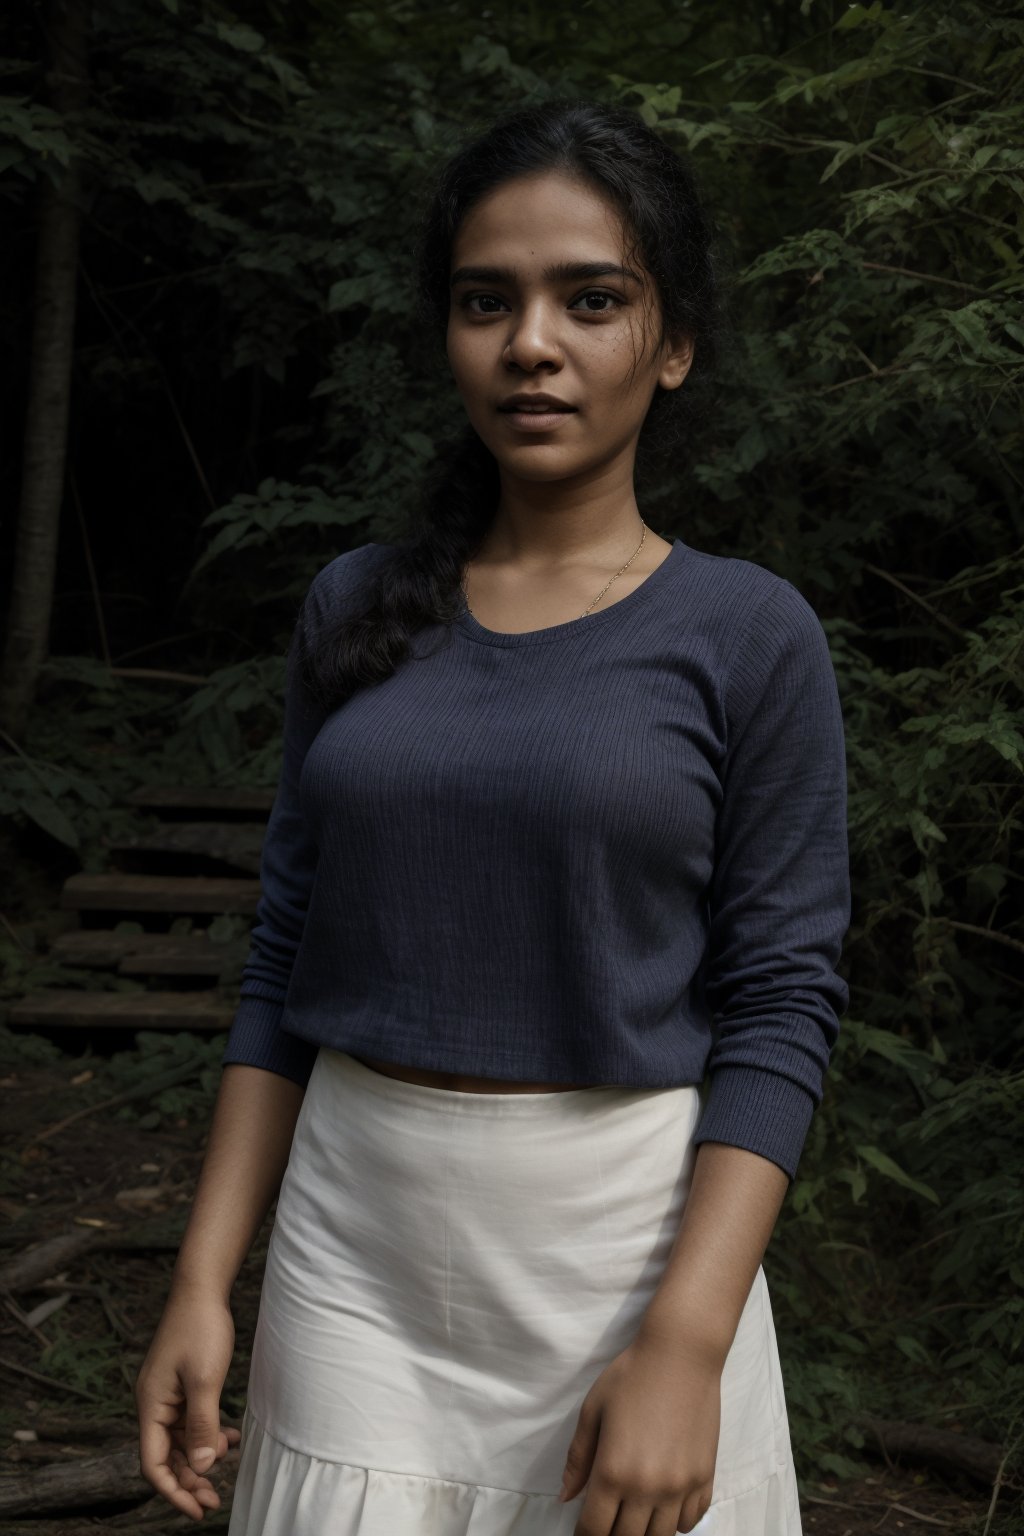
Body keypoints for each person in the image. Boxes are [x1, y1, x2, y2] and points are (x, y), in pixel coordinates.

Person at [135, 96, 849, 1536]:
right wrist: (205, 1278)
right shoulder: (354, 606)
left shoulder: (748, 634)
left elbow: (779, 1004)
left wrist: (688, 1344)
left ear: (676, 339)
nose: (532, 343)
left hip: (631, 1253)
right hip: (355, 1253)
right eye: (487, 301)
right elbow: (283, 957)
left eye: (593, 300)